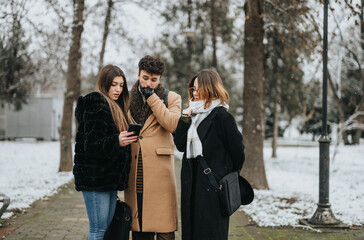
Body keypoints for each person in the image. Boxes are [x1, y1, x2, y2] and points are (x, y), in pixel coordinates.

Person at [174, 69, 245, 240]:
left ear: (211, 88)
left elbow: (238, 154)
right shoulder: (192, 115)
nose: (195, 93)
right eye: (193, 89)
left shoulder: (222, 117)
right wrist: (184, 118)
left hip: (213, 189)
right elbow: (180, 145)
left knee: (210, 234)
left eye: (199, 89)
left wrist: (222, 176)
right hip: (192, 186)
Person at [73, 64, 138, 240]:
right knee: (97, 230)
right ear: (104, 83)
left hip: (108, 179)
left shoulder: (115, 107)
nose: (118, 89)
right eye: (113, 84)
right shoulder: (97, 102)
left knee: (104, 229)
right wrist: (116, 141)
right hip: (95, 179)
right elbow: (91, 145)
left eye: (121, 85)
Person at [124, 55, 181, 240]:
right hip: (135, 167)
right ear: (138, 74)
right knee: (139, 225)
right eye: (145, 78)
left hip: (160, 172)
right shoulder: (126, 98)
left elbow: (172, 124)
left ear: (160, 79)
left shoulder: (171, 97)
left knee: (164, 227)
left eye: (154, 80)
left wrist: (153, 99)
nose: (149, 83)